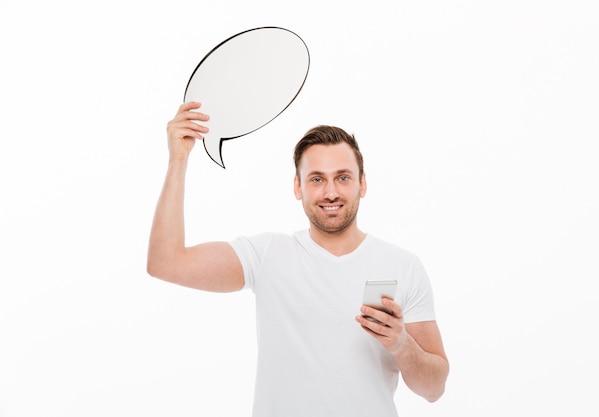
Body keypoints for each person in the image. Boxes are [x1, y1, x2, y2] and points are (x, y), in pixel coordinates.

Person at [147, 101, 449, 417]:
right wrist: (178, 160)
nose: (331, 192)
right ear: (298, 187)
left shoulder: (403, 266)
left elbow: (434, 389)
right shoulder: (266, 257)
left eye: (343, 177)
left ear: (362, 184)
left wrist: (401, 343)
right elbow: (166, 263)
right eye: (316, 179)